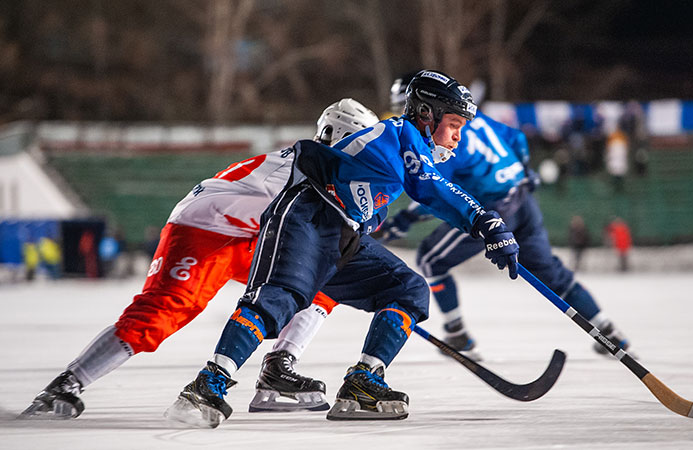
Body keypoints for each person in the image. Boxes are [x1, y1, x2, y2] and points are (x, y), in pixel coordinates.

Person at [164, 70, 519, 427]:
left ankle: (363, 383)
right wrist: (484, 222)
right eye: (454, 124)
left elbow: (392, 196)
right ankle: (207, 386)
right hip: (308, 214)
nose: (457, 138)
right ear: (427, 114)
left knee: (408, 289)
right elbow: (430, 187)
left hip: (342, 232)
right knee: (278, 299)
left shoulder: (405, 148)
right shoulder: (400, 136)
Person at [18, 98, 380, 420]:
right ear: (344, 139)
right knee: (163, 311)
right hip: (205, 229)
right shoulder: (310, 169)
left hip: (248, 232)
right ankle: (67, 384)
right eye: (363, 146)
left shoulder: (320, 168)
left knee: (324, 279)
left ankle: (277, 370)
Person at [374, 73, 633, 360]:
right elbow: (517, 137)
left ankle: (458, 335)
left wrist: (404, 220)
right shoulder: (474, 118)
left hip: (496, 209)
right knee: (551, 272)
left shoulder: (442, 136)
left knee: (430, 259)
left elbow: (435, 190)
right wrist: (525, 171)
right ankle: (608, 329)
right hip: (522, 198)